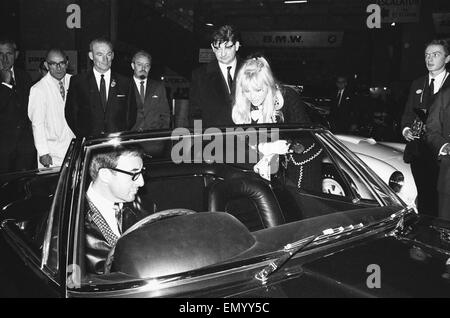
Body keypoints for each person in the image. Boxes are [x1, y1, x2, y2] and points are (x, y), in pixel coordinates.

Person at [402, 39, 450, 216]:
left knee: (443, 202)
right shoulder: (418, 83)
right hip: (419, 150)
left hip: (443, 152)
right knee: (424, 197)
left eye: (435, 54)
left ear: (447, 58)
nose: (429, 59)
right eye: (427, 55)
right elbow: (407, 113)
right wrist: (406, 129)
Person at [84, 145, 149, 275]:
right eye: (134, 174)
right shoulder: (70, 224)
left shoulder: (140, 204)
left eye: (142, 172)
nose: (141, 182)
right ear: (105, 175)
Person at [65, 38, 135, 138]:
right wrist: (84, 136)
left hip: (117, 143)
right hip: (90, 143)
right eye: (100, 54)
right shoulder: (78, 82)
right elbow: (71, 114)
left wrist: (120, 136)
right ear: (91, 56)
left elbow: (131, 116)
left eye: (108, 54)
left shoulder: (125, 82)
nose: (105, 60)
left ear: (113, 56)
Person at [28, 48, 75, 168]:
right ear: (46, 65)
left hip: (74, 148)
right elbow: (37, 124)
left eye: (62, 63)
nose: (58, 67)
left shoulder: (75, 81)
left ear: (67, 63)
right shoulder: (38, 89)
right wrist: (43, 152)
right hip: (52, 153)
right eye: (53, 64)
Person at [189, 24, 243, 127]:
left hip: (247, 139)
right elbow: (195, 114)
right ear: (212, 47)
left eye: (227, 47)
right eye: (217, 48)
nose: (222, 53)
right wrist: (198, 141)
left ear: (236, 46)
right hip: (214, 140)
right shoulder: (200, 76)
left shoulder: (250, 70)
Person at [231, 56, 311, 125]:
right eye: (247, 91)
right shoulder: (241, 103)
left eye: (258, 90)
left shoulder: (288, 97)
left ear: (269, 84)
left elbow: (304, 136)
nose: (252, 96)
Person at [0, 38, 36, 174]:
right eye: (0, 54)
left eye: (8, 53)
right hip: (3, 149)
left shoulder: (25, 76)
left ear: (16, 55)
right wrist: (6, 84)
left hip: (24, 148)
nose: (4, 58)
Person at [129, 50, 170, 131]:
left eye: (146, 65)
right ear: (133, 66)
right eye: (139, 64)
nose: (143, 68)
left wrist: (160, 136)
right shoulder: (125, 86)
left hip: (153, 138)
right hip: (130, 137)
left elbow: (165, 114)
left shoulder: (158, 87)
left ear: (150, 67)